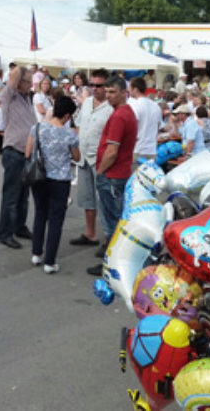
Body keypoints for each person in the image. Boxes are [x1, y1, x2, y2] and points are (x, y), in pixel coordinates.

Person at [86, 75, 138, 276]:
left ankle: (111, 263)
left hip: (112, 175)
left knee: (112, 224)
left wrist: (100, 172)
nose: (108, 96)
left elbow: (112, 151)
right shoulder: (125, 112)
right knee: (116, 221)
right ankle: (115, 261)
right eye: (106, 92)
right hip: (118, 174)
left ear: (124, 93)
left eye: (112, 92)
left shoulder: (119, 116)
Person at [27, 96, 80, 274]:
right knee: (56, 220)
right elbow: (77, 157)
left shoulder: (37, 128)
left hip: (39, 177)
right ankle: (50, 262)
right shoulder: (69, 135)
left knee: (40, 213)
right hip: (60, 180)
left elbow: (28, 152)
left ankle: (36, 253)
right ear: (66, 116)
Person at [71, 69, 112, 258]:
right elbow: (79, 125)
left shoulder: (112, 108)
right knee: (87, 197)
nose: (95, 89)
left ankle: (109, 239)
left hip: (101, 159)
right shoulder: (87, 103)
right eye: (92, 85)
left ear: (107, 86)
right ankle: (90, 233)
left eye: (99, 85)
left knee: (105, 200)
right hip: (84, 157)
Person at [0, 66, 37, 249]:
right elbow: (13, 76)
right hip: (14, 152)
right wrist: (23, 68)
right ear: (20, 82)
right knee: (11, 197)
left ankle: (19, 227)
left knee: (23, 196)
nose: (31, 85)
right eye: (28, 81)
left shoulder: (26, 98)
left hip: (26, 152)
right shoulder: (9, 95)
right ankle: (5, 233)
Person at [128, 77, 160, 166]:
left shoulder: (135, 106)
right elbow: (157, 126)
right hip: (152, 150)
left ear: (135, 89)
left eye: (130, 89)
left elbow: (131, 129)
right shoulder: (155, 106)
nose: (129, 91)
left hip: (138, 149)